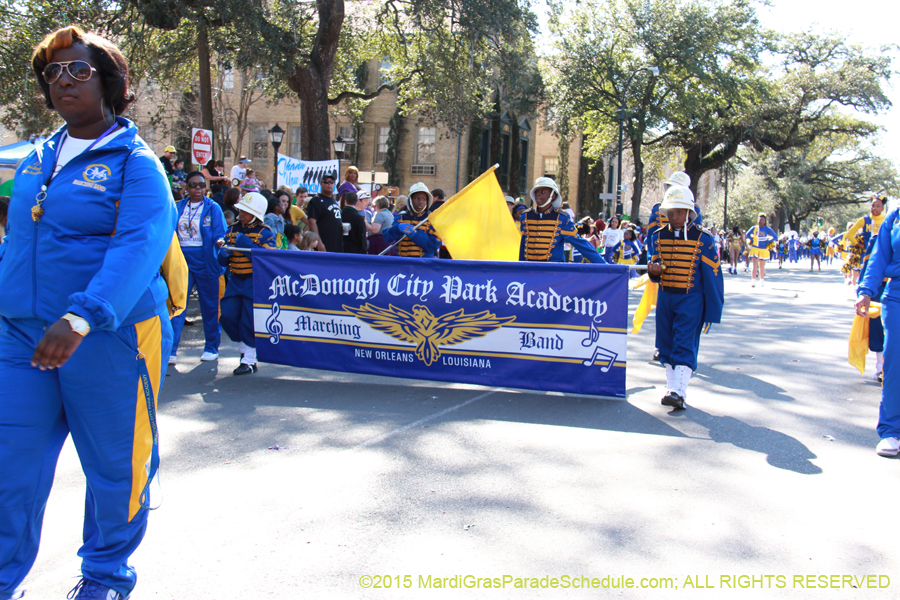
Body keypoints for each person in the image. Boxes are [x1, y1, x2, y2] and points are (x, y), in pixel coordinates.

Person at [0, 25, 176, 600]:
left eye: (78, 69)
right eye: (53, 73)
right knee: (10, 472)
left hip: (109, 339)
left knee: (116, 472)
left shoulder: (135, 162)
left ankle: (104, 578)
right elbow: (20, 243)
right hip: (20, 338)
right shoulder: (35, 158)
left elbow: (140, 243)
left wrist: (81, 317)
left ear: (111, 82)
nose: (63, 81)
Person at [647, 186, 724, 410]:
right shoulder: (658, 236)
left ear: (689, 212)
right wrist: (654, 272)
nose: (674, 216)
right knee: (665, 344)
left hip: (691, 300)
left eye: (679, 212)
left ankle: (679, 392)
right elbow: (656, 267)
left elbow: (713, 278)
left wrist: (712, 310)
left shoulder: (704, 239)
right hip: (666, 298)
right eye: (670, 212)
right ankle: (672, 388)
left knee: (683, 342)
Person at [169, 171, 227, 364]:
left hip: (206, 261)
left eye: (202, 185)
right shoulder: (178, 207)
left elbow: (221, 233)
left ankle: (211, 347)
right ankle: (171, 349)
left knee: (210, 307)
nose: (198, 188)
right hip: (181, 260)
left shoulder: (213, 208)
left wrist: (220, 242)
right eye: (193, 185)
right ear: (186, 187)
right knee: (177, 306)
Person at [855, 203, 899, 457]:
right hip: (897, 298)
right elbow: (879, 257)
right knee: (894, 364)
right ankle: (892, 431)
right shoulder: (894, 219)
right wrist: (866, 291)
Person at [218, 192, 275, 375]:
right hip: (234, 279)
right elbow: (222, 258)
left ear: (256, 214)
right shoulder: (232, 228)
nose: (241, 214)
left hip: (254, 281)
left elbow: (269, 258)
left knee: (248, 321)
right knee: (227, 316)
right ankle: (245, 354)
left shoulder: (265, 232)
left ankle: (248, 360)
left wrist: (248, 246)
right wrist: (223, 253)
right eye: (241, 210)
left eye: (246, 211)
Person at [517, 177, 605, 263]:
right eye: (536, 191)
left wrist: (605, 266)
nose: (538, 194)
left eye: (543, 191)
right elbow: (523, 246)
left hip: (553, 272)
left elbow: (580, 244)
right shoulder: (525, 216)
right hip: (530, 271)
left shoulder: (561, 218)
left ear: (553, 195)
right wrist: (520, 269)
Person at [383, 182, 441, 257]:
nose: (420, 202)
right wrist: (397, 228)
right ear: (410, 200)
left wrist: (415, 235)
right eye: (417, 198)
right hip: (402, 265)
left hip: (422, 266)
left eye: (424, 199)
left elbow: (433, 246)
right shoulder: (400, 218)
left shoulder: (432, 220)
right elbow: (386, 238)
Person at [847, 195, 887, 286]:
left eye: (878, 206)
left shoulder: (886, 220)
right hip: (867, 255)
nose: (874, 208)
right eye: (873, 205)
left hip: (882, 254)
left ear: (882, 208)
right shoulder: (864, 220)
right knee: (865, 276)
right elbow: (849, 234)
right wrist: (860, 245)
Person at [306, 172, 343, 252]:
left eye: (331, 182)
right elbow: (312, 222)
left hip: (336, 244)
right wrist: (319, 243)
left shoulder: (334, 201)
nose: (329, 184)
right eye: (326, 182)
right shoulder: (316, 200)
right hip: (324, 244)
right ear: (321, 184)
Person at [745, 213, 776, 287]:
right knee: (754, 265)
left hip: (763, 249)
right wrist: (752, 239)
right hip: (755, 248)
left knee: (762, 266)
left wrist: (768, 241)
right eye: (760, 219)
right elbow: (747, 234)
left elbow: (775, 237)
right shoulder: (754, 228)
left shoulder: (767, 229)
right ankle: (753, 281)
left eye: (762, 220)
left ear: (765, 221)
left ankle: (761, 280)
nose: (761, 221)